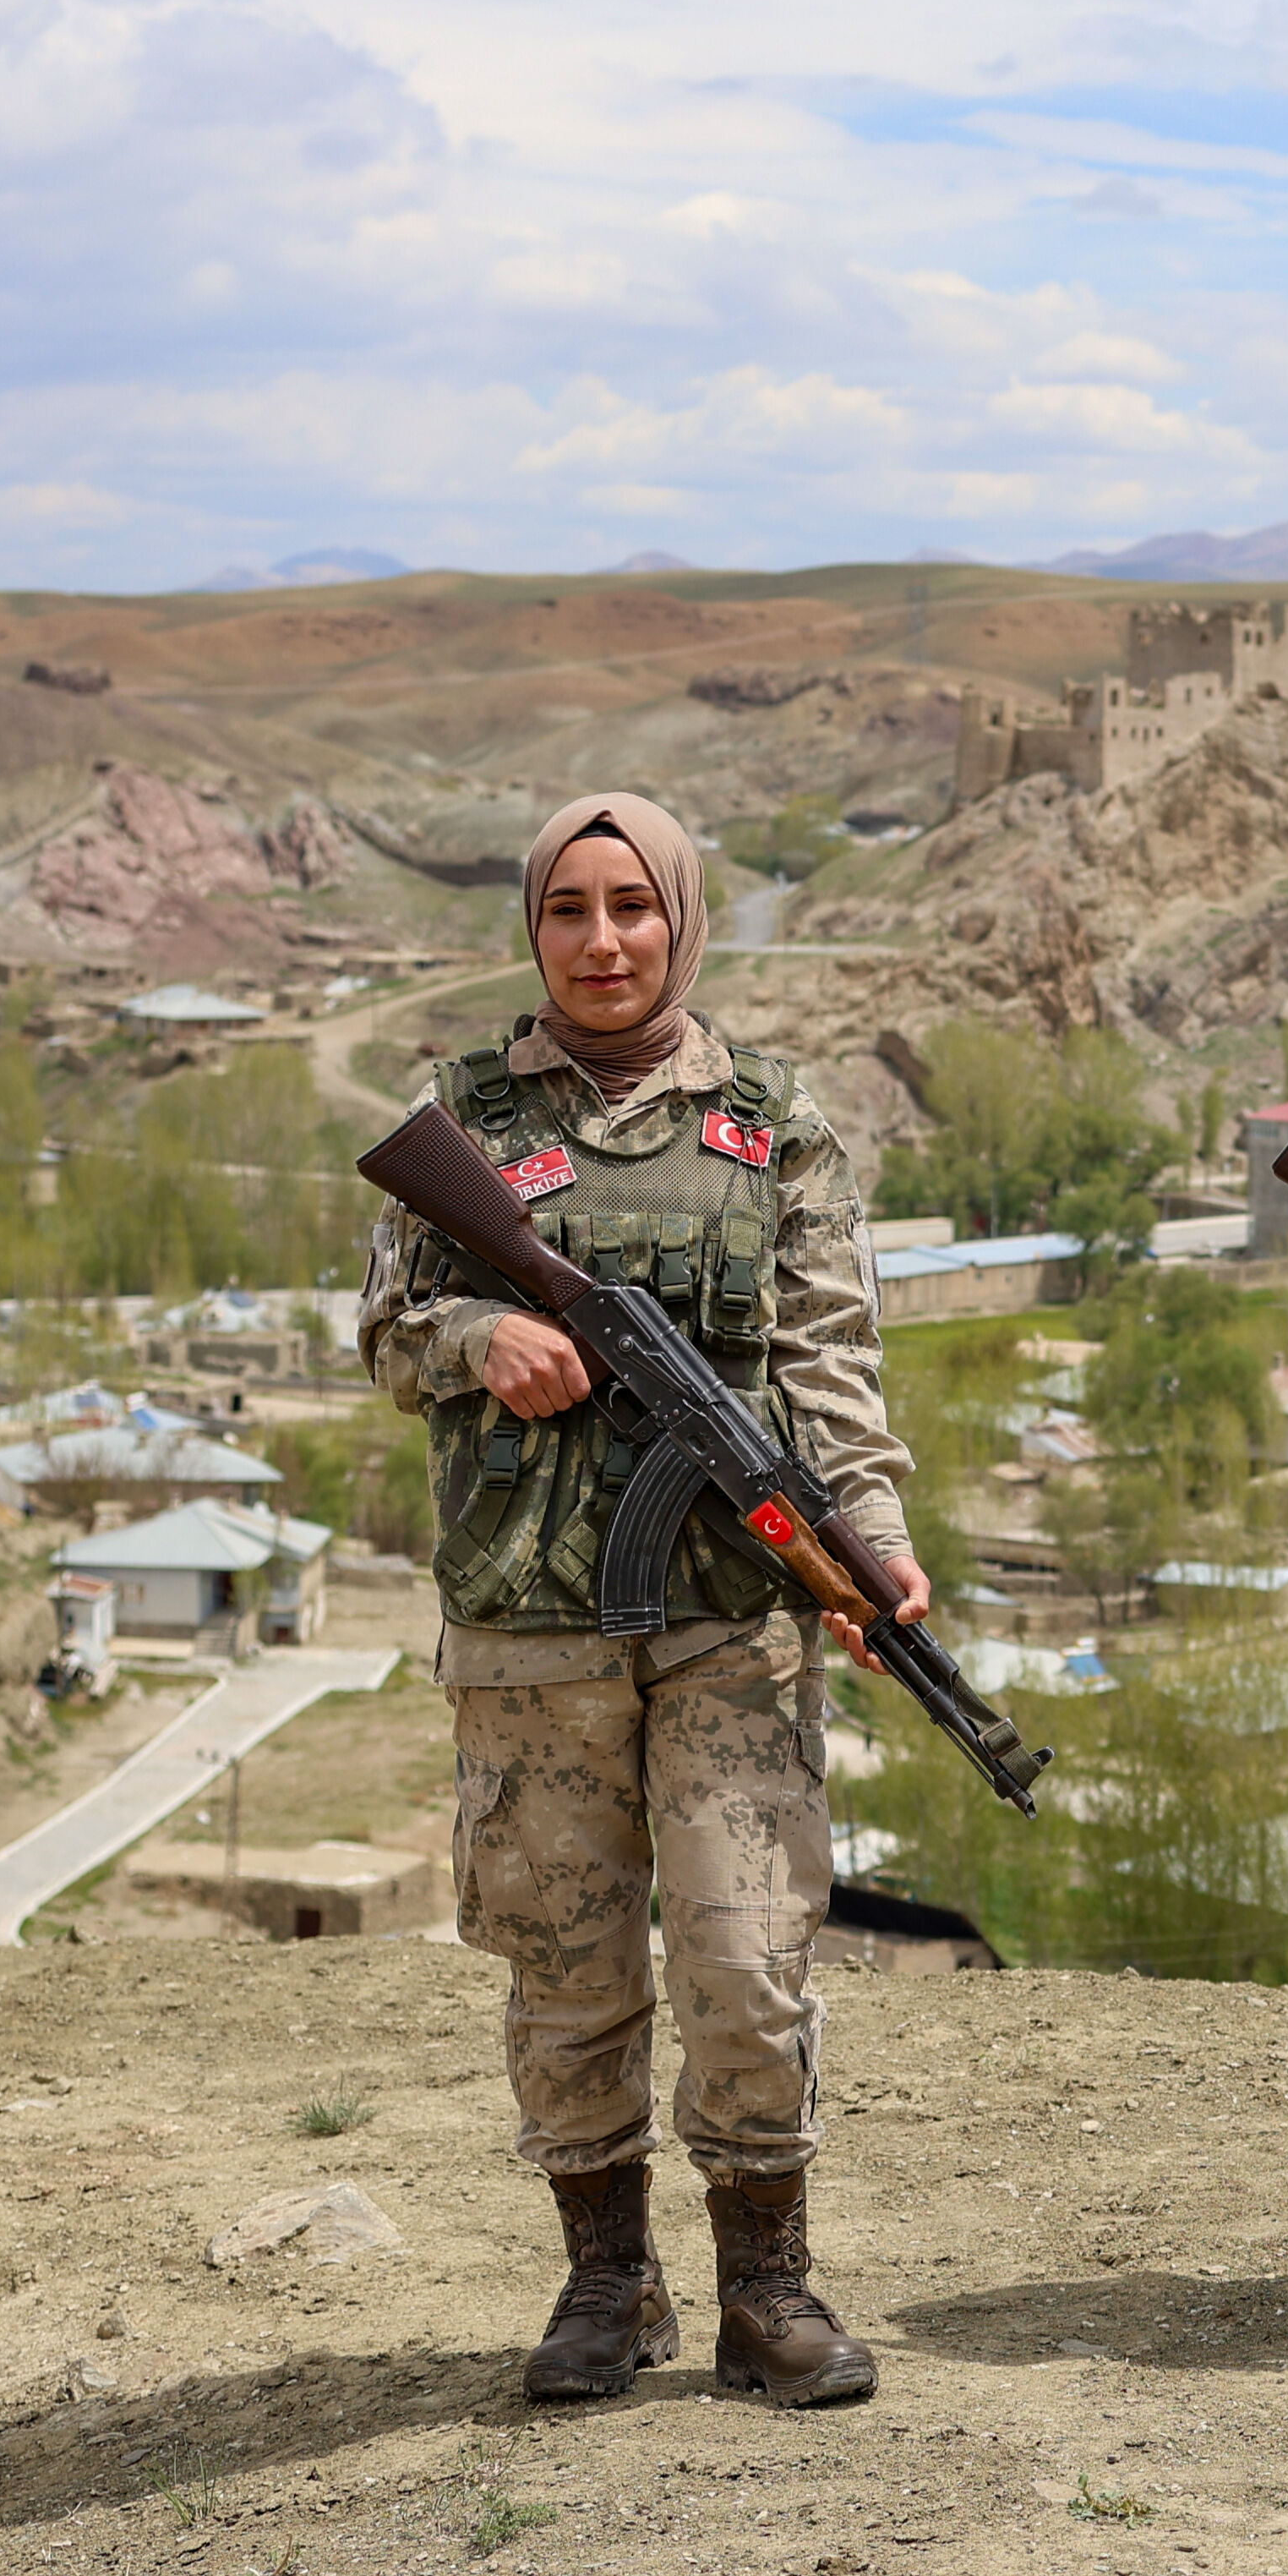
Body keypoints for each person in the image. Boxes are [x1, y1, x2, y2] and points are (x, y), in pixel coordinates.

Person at [358, 790, 930, 2409]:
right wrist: (485, 1341)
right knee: (566, 1957)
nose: (602, 942)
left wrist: (871, 1543)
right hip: (526, 1616)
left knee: (747, 1958)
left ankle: (769, 2285)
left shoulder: (776, 1121)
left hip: (729, 1620)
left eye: (634, 908)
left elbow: (827, 1363)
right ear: (532, 927)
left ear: (682, 919)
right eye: (568, 911)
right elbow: (389, 1335)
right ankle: (606, 2281)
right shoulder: (456, 1117)